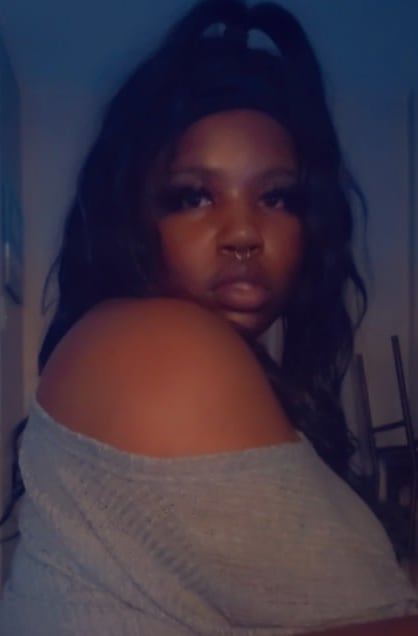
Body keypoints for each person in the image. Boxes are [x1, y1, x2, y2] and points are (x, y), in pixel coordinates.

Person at [1, 0, 418, 634]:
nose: (244, 233)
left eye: (277, 197)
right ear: (131, 218)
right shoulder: (158, 343)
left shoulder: (190, 360)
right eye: (194, 196)